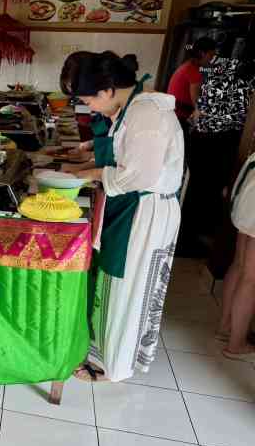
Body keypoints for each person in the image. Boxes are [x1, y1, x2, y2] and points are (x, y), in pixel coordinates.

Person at [61, 52, 184, 382]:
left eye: (88, 100)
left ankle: (114, 366)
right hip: (132, 206)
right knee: (116, 285)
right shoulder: (132, 107)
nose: (89, 107)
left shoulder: (146, 114)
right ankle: (105, 354)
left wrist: (87, 174)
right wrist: (87, 167)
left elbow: (138, 176)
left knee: (129, 288)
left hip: (144, 211)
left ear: (107, 90)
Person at [180, 53, 255, 255]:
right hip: (218, 139)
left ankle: (187, 238)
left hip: (202, 135)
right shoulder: (247, 74)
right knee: (204, 191)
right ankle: (188, 242)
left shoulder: (224, 66)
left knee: (196, 189)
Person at [218, 152, 255, 360]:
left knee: (239, 265)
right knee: (250, 278)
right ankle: (236, 344)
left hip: (249, 193)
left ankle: (224, 327)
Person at [167, 37, 217, 129]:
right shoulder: (193, 71)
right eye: (211, 55)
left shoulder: (189, 65)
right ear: (202, 53)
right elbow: (197, 104)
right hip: (178, 117)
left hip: (173, 113)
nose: (212, 59)